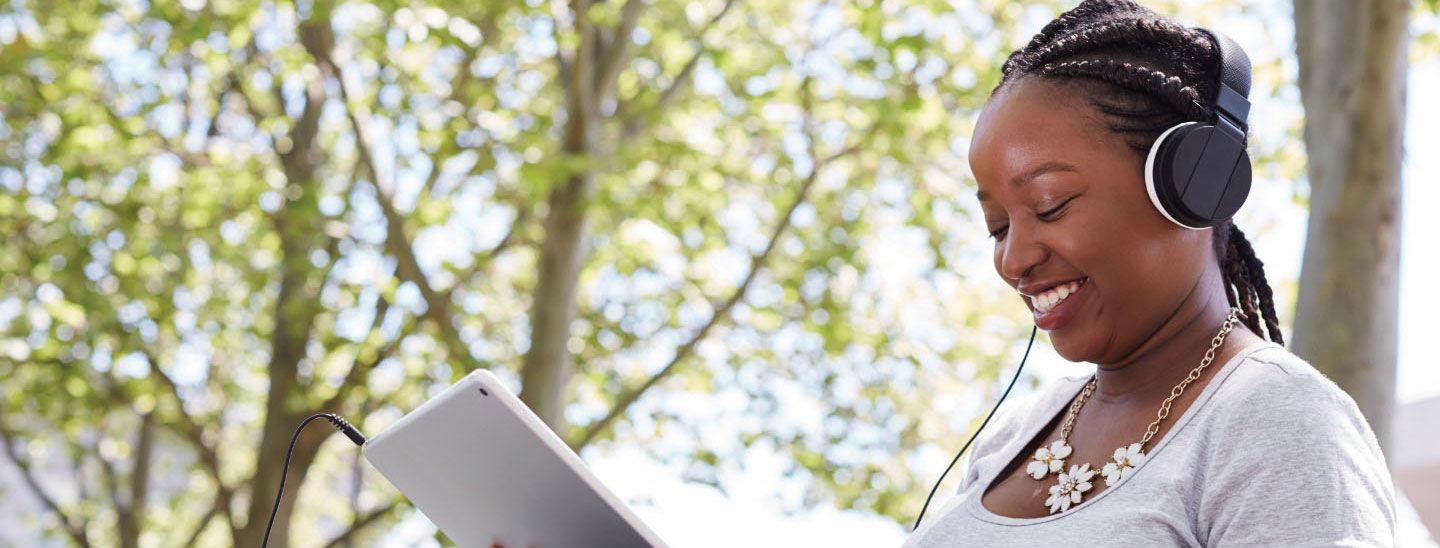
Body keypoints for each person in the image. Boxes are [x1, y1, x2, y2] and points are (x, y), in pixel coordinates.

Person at [903, 0, 1396, 545]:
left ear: (1192, 187)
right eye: (997, 227)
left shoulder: (1281, 418)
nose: (1014, 261)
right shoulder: (1017, 432)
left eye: (1050, 206)